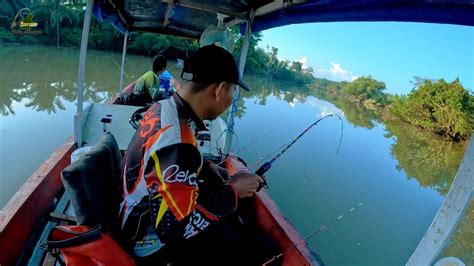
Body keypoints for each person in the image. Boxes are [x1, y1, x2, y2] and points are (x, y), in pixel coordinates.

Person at [118, 45, 263, 264]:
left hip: (130, 212)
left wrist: (205, 166)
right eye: (232, 90)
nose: (231, 97)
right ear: (220, 89)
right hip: (144, 241)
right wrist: (233, 190)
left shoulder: (163, 107)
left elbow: (159, 161)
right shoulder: (178, 145)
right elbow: (174, 233)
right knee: (252, 250)